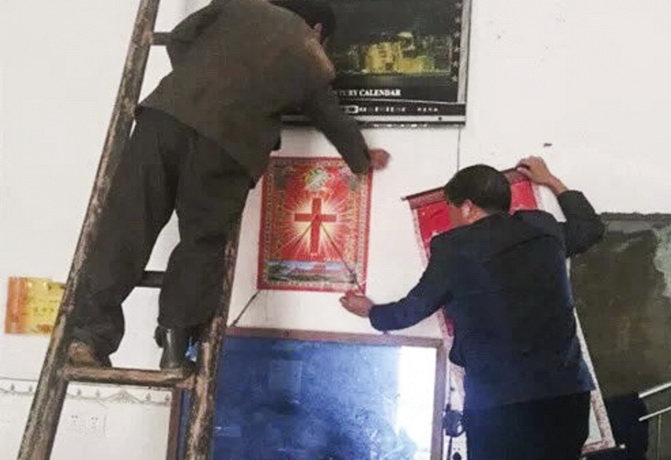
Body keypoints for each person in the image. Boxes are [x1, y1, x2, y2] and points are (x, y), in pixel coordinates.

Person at [68, 0, 390, 369]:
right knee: (201, 243)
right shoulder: (308, 50)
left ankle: (87, 339)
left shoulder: (239, 4)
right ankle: (174, 349)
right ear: (317, 29)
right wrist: (362, 160)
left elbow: (180, 38)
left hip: (163, 120)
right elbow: (331, 117)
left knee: (126, 226)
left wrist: (198, 87)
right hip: (226, 146)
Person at [340, 157, 605, 460]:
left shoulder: (454, 248)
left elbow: (412, 310)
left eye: (450, 207)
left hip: (500, 401)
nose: (450, 215)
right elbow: (590, 229)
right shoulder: (543, 228)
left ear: (467, 207)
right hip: (566, 393)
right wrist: (550, 180)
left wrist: (371, 312)